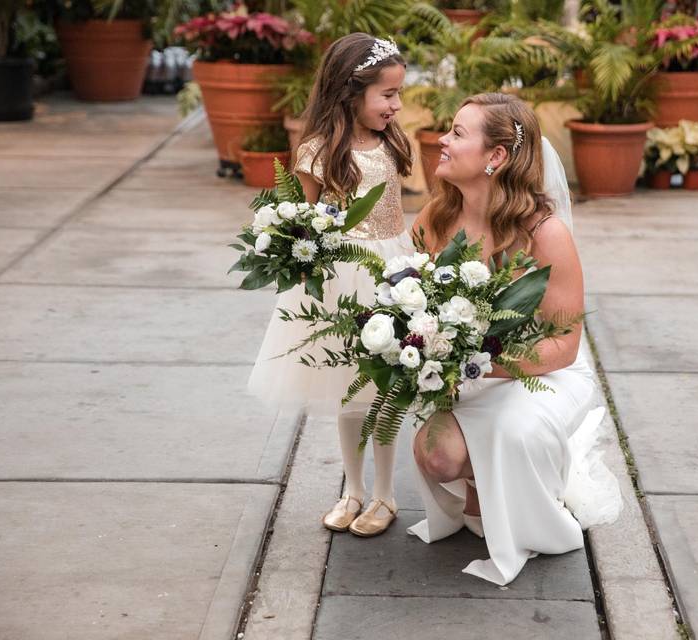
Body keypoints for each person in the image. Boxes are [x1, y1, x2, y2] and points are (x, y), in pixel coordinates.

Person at [407, 93, 622, 586]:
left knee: (513, 431)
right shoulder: (435, 221)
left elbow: (563, 344)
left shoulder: (544, 234)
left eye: (458, 133)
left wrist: (477, 364)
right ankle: (489, 481)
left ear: (496, 157)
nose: (442, 140)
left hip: (540, 373)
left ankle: (531, 488)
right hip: (466, 374)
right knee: (436, 456)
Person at [248, 33, 413, 538]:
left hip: (390, 272)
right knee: (350, 392)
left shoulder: (391, 141)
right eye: (387, 94)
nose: (397, 104)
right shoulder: (319, 150)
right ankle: (354, 489)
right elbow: (301, 220)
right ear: (350, 90)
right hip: (342, 277)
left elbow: (396, 211)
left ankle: (385, 493)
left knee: (384, 389)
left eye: (398, 93)